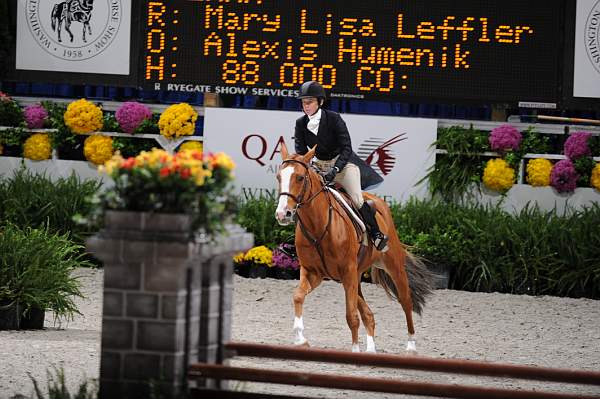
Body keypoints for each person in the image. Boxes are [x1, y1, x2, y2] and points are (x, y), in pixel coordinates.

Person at [293, 81, 389, 251]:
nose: (306, 106)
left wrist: (335, 169)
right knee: (302, 199)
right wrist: (311, 168)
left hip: (343, 166)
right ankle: (300, 242)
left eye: (310, 102)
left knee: (357, 199)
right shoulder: (300, 123)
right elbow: (301, 152)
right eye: (303, 102)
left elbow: (346, 148)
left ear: (320, 102)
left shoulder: (334, 118)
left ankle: (376, 234)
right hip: (319, 167)